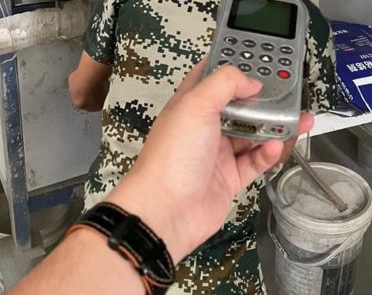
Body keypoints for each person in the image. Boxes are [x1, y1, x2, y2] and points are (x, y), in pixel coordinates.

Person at [69, 0, 339, 294]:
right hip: (217, 251)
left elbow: (82, 94)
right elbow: (279, 142)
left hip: (111, 228)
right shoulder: (303, 19)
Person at [10, 63, 314, 295]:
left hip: (110, 217)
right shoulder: (308, 23)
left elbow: (81, 94)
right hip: (225, 261)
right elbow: (282, 146)